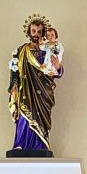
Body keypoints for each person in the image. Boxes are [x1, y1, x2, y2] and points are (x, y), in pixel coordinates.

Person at [8, 13, 63, 153]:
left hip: (43, 92)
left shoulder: (48, 50)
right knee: (24, 116)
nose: (36, 34)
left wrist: (57, 67)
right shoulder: (21, 51)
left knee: (39, 117)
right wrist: (14, 86)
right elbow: (14, 70)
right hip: (25, 90)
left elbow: (56, 71)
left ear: (43, 33)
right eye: (33, 31)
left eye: (39, 32)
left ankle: (40, 145)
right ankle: (20, 143)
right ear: (29, 32)